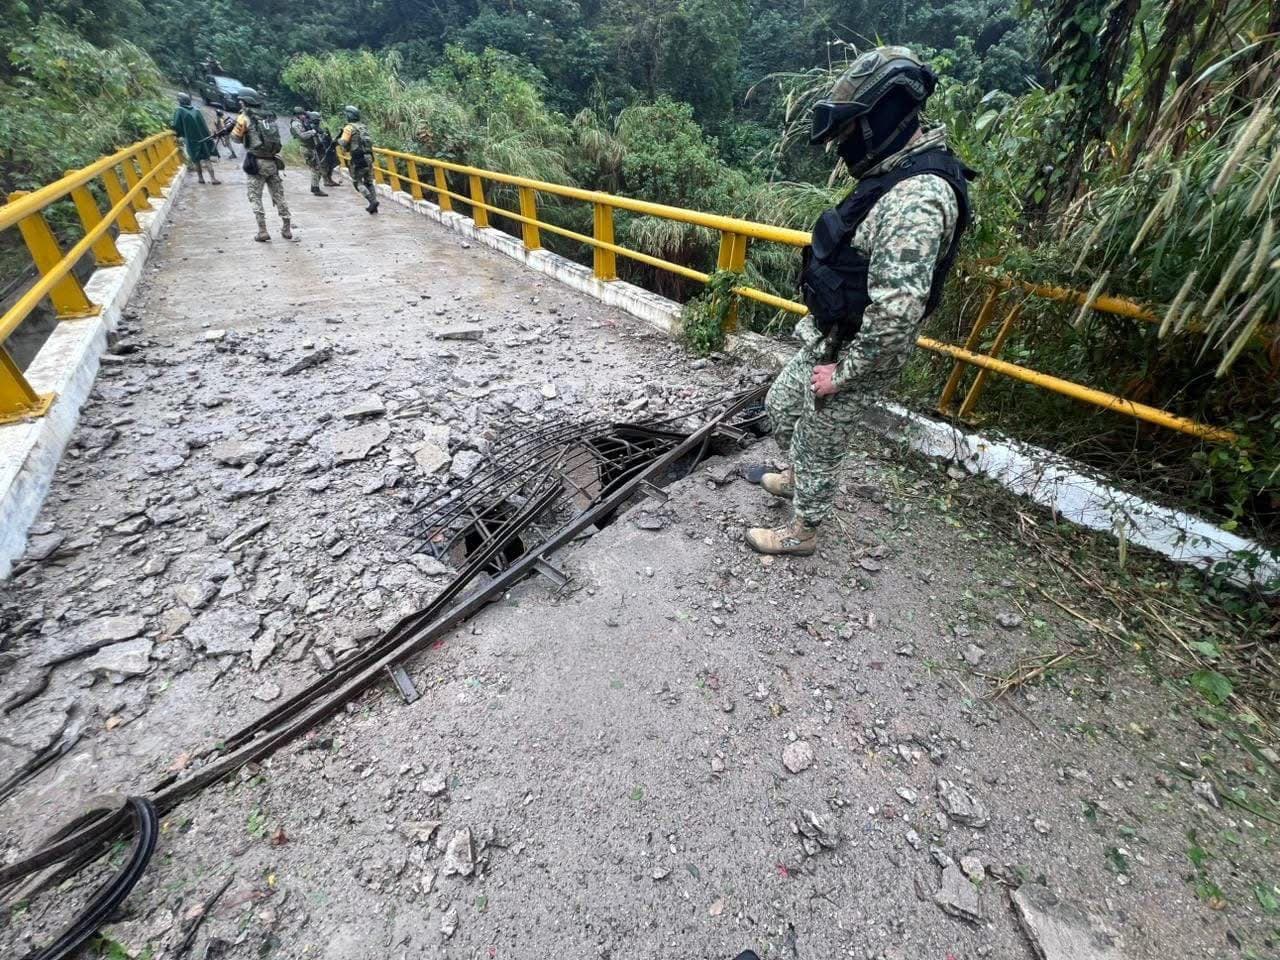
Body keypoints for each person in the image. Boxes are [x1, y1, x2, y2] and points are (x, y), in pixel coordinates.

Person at [745, 46, 974, 557]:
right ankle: (797, 478)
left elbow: (896, 314)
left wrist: (844, 374)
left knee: (820, 439)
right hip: (832, 334)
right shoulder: (893, 173)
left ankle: (802, 532)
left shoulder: (918, 197)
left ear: (881, 119)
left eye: (848, 132)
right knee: (782, 407)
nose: (843, 146)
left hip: (857, 352)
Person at [230, 88, 293, 242]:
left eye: (241, 100)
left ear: (245, 102)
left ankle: (262, 230)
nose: (240, 102)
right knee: (279, 195)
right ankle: (287, 228)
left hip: (256, 163)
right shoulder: (269, 116)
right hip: (272, 162)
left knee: (254, 196)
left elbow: (236, 138)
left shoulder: (244, 117)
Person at [172, 92, 220, 184]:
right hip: (203, 138)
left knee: (196, 160)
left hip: (191, 140)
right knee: (207, 158)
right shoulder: (196, 110)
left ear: (180, 101)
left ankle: (200, 178)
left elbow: (177, 125)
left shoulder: (180, 111)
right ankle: (213, 178)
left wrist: (178, 135)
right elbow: (204, 126)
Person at [338, 105, 378, 214]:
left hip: (358, 158)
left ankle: (372, 201)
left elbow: (343, 143)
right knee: (369, 182)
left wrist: (338, 140)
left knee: (357, 182)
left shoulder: (349, 128)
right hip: (369, 157)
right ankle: (374, 206)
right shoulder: (363, 127)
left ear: (349, 116)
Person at [289, 106, 326, 196]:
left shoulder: (302, 122)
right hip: (306, 148)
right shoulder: (296, 124)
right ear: (298, 115)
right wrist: (313, 131)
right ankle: (315, 189)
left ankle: (315, 187)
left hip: (311, 148)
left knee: (317, 168)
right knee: (315, 168)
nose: (304, 116)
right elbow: (302, 136)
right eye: (302, 115)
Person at [310, 112, 341, 187]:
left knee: (330, 164)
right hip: (320, 149)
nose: (319, 121)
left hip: (326, 148)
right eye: (317, 119)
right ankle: (325, 181)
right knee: (323, 165)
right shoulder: (312, 128)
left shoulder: (318, 128)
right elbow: (317, 140)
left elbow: (325, 137)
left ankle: (329, 179)